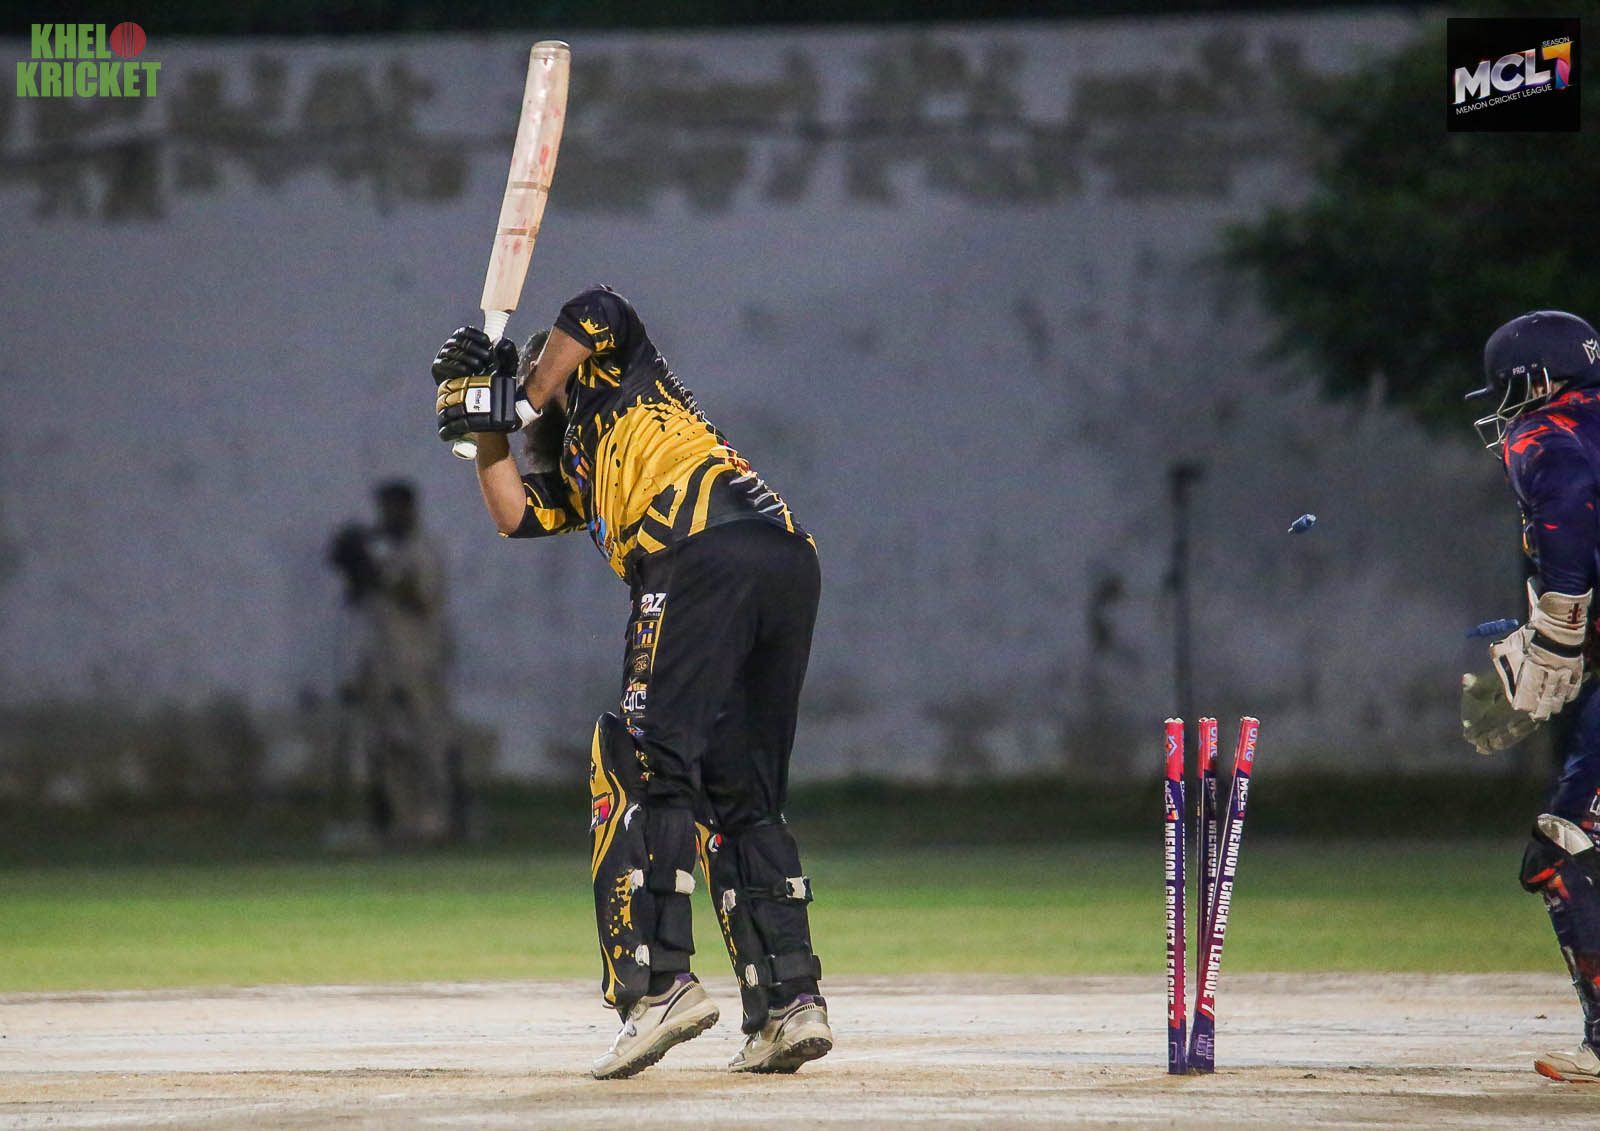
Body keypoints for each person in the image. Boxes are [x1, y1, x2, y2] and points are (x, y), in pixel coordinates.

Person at [431, 284, 831, 1080]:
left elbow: (599, 306)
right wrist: (483, 425)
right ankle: (788, 1002)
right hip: (783, 558)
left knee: (641, 763)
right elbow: (513, 514)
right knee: (740, 792)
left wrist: (518, 391)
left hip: (698, 549)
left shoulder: (618, 374)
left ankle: (657, 988)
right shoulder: (584, 469)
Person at [1466, 309, 1600, 1083]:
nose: (1507, 411)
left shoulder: (1550, 432)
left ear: (1541, 380)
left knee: (1562, 847)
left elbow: (1571, 497)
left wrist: (1560, 627)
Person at [326, 480, 457, 846]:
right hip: (382, 662)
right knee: (386, 745)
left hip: (420, 661)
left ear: (409, 509)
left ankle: (437, 819)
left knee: (426, 742)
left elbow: (420, 598)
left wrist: (379, 572)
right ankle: (403, 820)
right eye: (383, 508)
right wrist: (357, 568)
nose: (387, 516)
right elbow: (360, 603)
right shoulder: (385, 549)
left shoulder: (423, 551)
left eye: (394, 508)